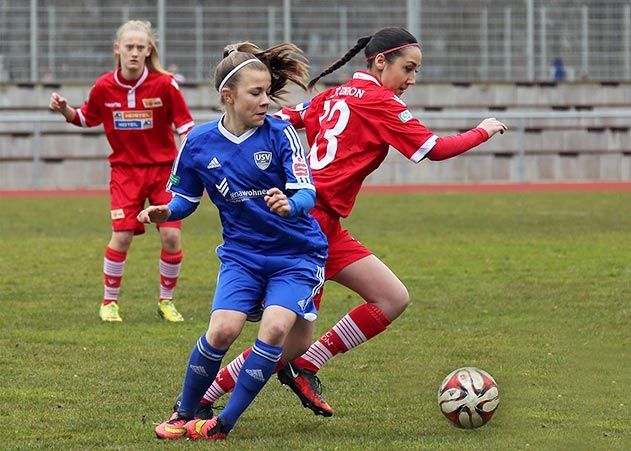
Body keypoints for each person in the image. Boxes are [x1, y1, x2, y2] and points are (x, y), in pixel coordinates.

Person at [192, 27, 508, 418]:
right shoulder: (381, 102)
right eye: (407, 68)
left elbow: (285, 119)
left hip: (325, 221)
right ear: (380, 62)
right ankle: (206, 397)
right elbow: (435, 149)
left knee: (392, 298)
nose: (411, 79)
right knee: (287, 339)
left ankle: (306, 366)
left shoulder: (333, 94)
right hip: (307, 226)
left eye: (416, 72)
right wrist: (484, 129)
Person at [144, 41, 327, 441]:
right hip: (242, 256)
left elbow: (306, 190)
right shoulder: (198, 142)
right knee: (223, 330)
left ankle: (223, 423)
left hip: (295, 254)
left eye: (266, 92)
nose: (266, 101)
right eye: (255, 93)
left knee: (277, 329)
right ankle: (182, 412)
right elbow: (186, 200)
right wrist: (166, 211)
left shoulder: (282, 134)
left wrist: (290, 204)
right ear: (228, 96)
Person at [48, 20, 194, 323]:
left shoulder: (165, 85)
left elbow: (185, 126)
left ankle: (166, 301)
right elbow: (87, 118)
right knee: (122, 236)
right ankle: (109, 302)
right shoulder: (103, 86)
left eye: (141, 47)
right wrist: (64, 109)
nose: (134, 52)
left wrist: (191, 160)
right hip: (125, 173)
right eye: (129, 46)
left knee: (170, 238)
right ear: (118, 49)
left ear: (148, 50)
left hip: (163, 172)